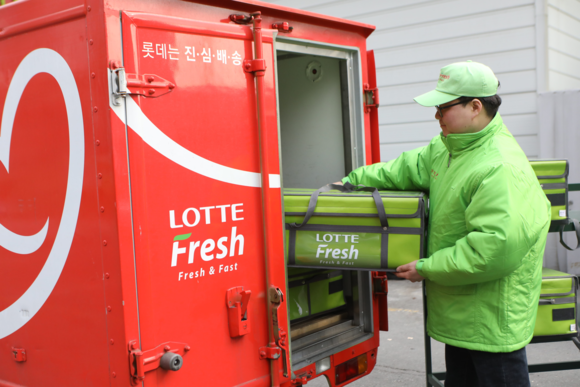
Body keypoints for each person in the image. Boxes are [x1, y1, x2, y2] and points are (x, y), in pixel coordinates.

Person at [341, 61, 551, 387]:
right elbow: (403, 169)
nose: (436, 116)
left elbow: (493, 248)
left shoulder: (500, 166)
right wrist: (351, 182)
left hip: (491, 321)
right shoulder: (448, 147)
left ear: (475, 106)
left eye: (443, 107)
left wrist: (426, 267)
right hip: (460, 314)